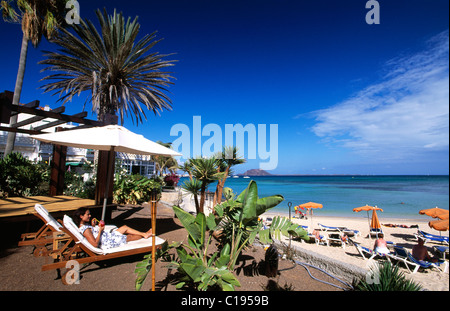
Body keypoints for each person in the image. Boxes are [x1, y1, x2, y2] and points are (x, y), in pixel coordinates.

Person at [73, 207, 152, 249]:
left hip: (107, 236)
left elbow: (92, 233)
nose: (90, 216)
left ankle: (144, 234)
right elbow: (95, 244)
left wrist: (93, 226)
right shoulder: (85, 230)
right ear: (81, 216)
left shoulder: (85, 226)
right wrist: (100, 230)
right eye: (88, 214)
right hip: (107, 241)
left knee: (124, 228)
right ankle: (144, 235)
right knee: (129, 237)